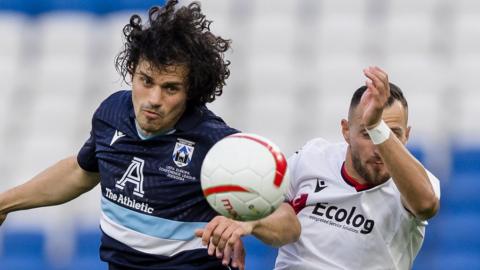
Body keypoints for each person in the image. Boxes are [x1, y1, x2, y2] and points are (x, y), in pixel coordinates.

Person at [0, 1, 246, 269]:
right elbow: (81, 172)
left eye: (171, 88)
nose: (154, 99)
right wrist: (5, 203)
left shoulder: (216, 143)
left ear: (192, 91)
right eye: (146, 81)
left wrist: (244, 223)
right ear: (132, 71)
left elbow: (283, 219)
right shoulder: (112, 113)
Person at [197, 66, 440, 270]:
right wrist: (249, 222)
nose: (378, 147)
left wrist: (377, 127)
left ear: (407, 135)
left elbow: (426, 205)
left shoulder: (415, 183)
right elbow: (287, 223)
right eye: (368, 134)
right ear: (346, 130)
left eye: (392, 134)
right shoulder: (313, 158)